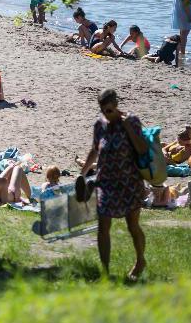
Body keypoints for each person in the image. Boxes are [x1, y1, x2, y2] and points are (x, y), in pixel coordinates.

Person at [77, 89, 148, 280]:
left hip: (129, 182)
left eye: (109, 110)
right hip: (105, 183)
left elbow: (142, 149)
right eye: (102, 110)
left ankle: (140, 260)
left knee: (132, 226)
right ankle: (105, 271)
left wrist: (126, 127)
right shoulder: (99, 125)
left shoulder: (131, 120)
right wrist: (82, 174)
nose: (106, 114)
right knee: (103, 226)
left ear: (116, 105)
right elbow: (94, 150)